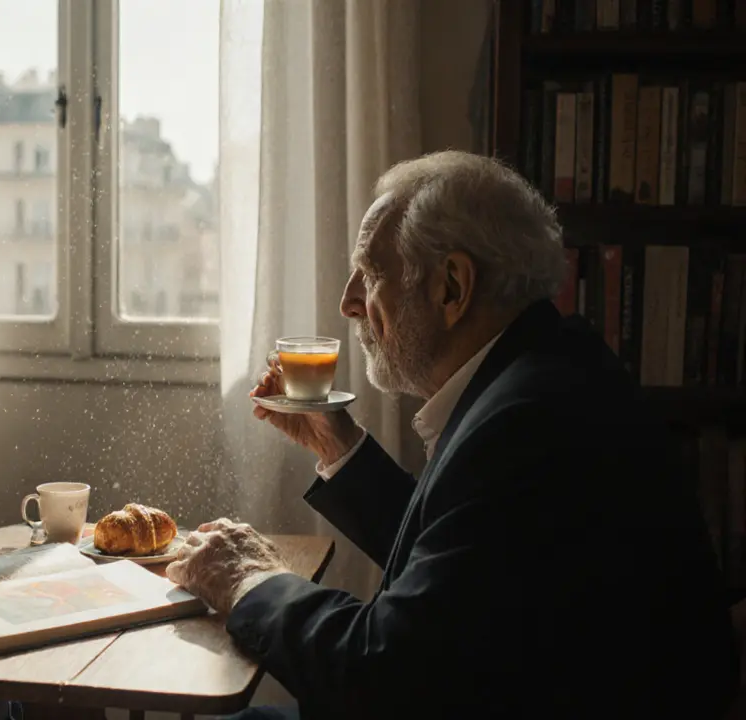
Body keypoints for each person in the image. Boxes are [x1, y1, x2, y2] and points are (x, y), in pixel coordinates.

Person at [167, 151, 740, 719]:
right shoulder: (547, 372)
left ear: (451, 287)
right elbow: (463, 566)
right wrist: (337, 444)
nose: (349, 303)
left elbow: (384, 674)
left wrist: (250, 580)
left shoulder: (527, 425)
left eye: (370, 274)